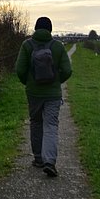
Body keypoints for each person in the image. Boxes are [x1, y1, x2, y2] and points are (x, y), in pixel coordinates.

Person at [15, 16, 72, 177]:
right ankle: (50, 162)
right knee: (51, 126)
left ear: (35, 28)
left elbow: (19, 70)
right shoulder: (58, 46)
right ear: (50, 29)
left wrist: (27, 83)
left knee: (36, 122)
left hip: (33, 93)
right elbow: (67, 71)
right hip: (52, 94)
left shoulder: (27, 45)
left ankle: (38, 158)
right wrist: (57, 81)